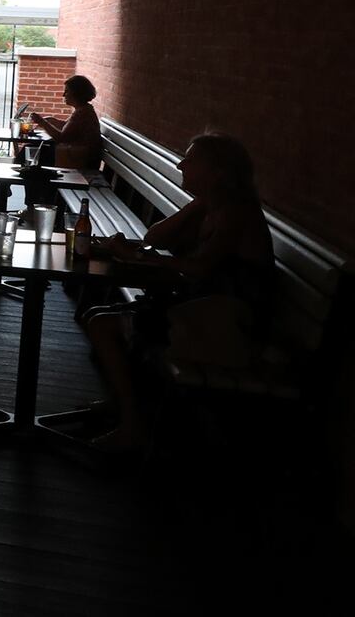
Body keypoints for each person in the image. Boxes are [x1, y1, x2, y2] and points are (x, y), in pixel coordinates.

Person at [82, 133, 276, 451]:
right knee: (97, 316)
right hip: (206, 310)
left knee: (103, 324)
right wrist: (198, 202)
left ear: (218, 172)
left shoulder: (236, 213)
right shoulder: (215, 204)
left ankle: (132, 425)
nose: (181, 163)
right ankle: (122, 404)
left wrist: (135, 257)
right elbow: (155, 236)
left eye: (191, 159)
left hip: (229, 327)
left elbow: (199, 267)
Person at [36, 74, 103, 171]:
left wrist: (42, 122)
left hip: (82, 162)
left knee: (36, 153)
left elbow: (61, 138)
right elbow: (69, 129)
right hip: (80, 156)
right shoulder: (84, 109)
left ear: (77, 93)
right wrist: (52, 121)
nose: (63, 94)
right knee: (38, 151)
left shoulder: (82, 113)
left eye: (67, 91)